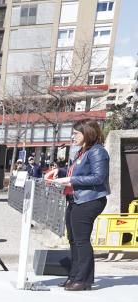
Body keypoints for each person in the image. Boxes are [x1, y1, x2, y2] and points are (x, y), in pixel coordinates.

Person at [52, 119, 110, 291]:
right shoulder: (82, 152)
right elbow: (78, 172)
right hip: (75, 199)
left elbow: (98, 177)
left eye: (77, 133)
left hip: (89, 200)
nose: (73, 136)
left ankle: (84, 280)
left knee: (81, 241)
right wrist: (61, 172)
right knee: (73, 240)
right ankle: (74, 276)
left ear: (88, 133)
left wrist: (70, 179)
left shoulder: (98, 152)